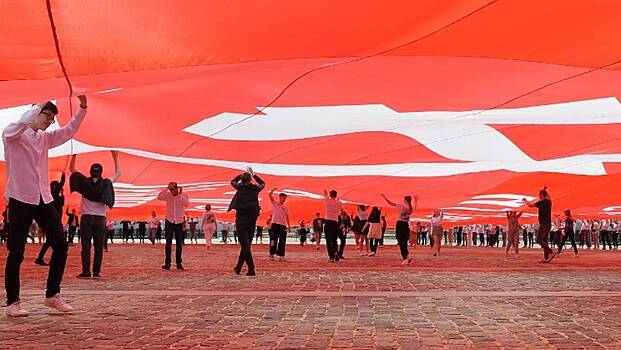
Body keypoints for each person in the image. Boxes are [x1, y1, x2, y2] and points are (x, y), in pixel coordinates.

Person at [3, 96, 87, 317]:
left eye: (52, 118)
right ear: (36, 111)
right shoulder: (13, 134)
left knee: (60, 244)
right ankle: (13, 302)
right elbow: (19, 126)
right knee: (16, 252)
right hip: (20, 197)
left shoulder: (44, 139)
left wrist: (83, 108)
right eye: (47, 115)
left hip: (43, 198)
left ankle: (52, 295)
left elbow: (68, 131)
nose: (49, 121)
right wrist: (38, 104)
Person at [69, 150, 120, 279]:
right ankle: (96, 271)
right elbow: (118, 173)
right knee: (99, 246)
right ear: (101, 172)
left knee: (86, 246)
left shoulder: (84, 182)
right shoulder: (106, 183)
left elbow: (72, 169)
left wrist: (74, 154)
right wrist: (115, 157)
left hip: (86, 217)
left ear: (91, 171)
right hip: (100, 219)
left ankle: (86, 272)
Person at [229, 167, 265, 276]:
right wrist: (254, 175)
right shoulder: (255, 188)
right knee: (247, 244)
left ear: (242, 180)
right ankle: (238, 267)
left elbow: (232, 182)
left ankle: (251, 268)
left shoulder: (240, 187)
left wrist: (239, 176)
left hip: (241, 219)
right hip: (252, 219)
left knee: (245, 245)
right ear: (250, 180)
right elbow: (263, 183)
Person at [35, 173, 66, 266]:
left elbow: (61, 205)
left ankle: (40, 258)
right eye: (54, 186)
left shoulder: (58, 196)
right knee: (56, 242)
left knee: (51, 242)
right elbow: (61, 183)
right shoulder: (50, 195)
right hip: (52, 222)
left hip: (56, 221)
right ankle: (45, 259)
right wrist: (63, 175)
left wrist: (63, 194)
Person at [158, 182, 189, 270]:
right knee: (168, 243)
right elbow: (159, 197)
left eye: (172, 189)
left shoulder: (184, 194)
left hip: (179, 221)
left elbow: (186, 204)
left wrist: (180, 194)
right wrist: (166, 188)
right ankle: (167, 263)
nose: (171, 191)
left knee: (179, 243)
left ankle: (178, 263)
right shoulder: (167, 195)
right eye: (170, 189)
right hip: (169, 220)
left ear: (176, 188)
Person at [523, 187, 556, 263]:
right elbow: (549, 196)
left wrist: (525, 200)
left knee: (539, 240)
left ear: (541, 195)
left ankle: (551, 252)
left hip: (543, 224)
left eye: (539, 195)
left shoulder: (541, 203)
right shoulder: (549, 202)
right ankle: (546, 258)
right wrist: (545, 191)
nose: (538, 196)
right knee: (544, 240)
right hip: (548, 224)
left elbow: (530, 205)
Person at [381, 194, 417, 264]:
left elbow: (391, 203)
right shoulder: (410, 208)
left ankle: (405, 258)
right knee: (404, 241)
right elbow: (414, 207)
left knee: (400, 241)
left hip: (400, 224)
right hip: (406, 225)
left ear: (405, 200)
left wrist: (384, 197)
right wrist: (415, 201)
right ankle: (407, 256)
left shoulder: (402, 206)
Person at [268, 188, 290, 261]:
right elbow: (270, 195)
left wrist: (289, 226)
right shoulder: (275, 204)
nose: (284, 199)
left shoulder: (286, 208)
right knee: (273, 240)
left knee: (282, 241)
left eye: (285, 198)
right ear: (280, 197)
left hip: (283, 225)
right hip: (275, 225)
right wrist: (273, 190)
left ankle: (281, 255)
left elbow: (287, 217)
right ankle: (271, 254)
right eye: (283, 198)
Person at [323, 189, 343, 262]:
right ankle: (336, 252)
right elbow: (341, 209)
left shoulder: (327, 201)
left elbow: (325, 194)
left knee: (328, 240)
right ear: (336, 195)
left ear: (330, 195)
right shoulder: (339, 203)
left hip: (328, 222)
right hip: (335, 222)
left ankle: (331, 256)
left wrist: (325, 191)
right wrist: (337, 200)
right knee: (334, 240)